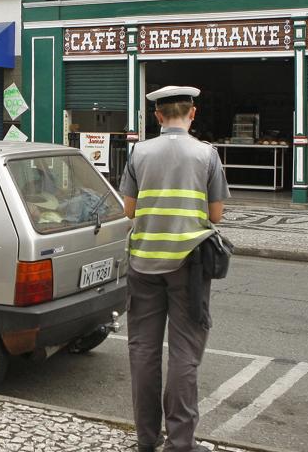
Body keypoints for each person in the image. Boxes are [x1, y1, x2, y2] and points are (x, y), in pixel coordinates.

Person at [118, 85, 229, 452]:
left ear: (158, 116)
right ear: (192, 113)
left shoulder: (139, 153)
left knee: (144, 353)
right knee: (184, 353)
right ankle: (181, 443)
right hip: (189, 267)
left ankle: (146, 440)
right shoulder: (207, 155)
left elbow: (129, 210)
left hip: (143, 263)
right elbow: (215, 215)